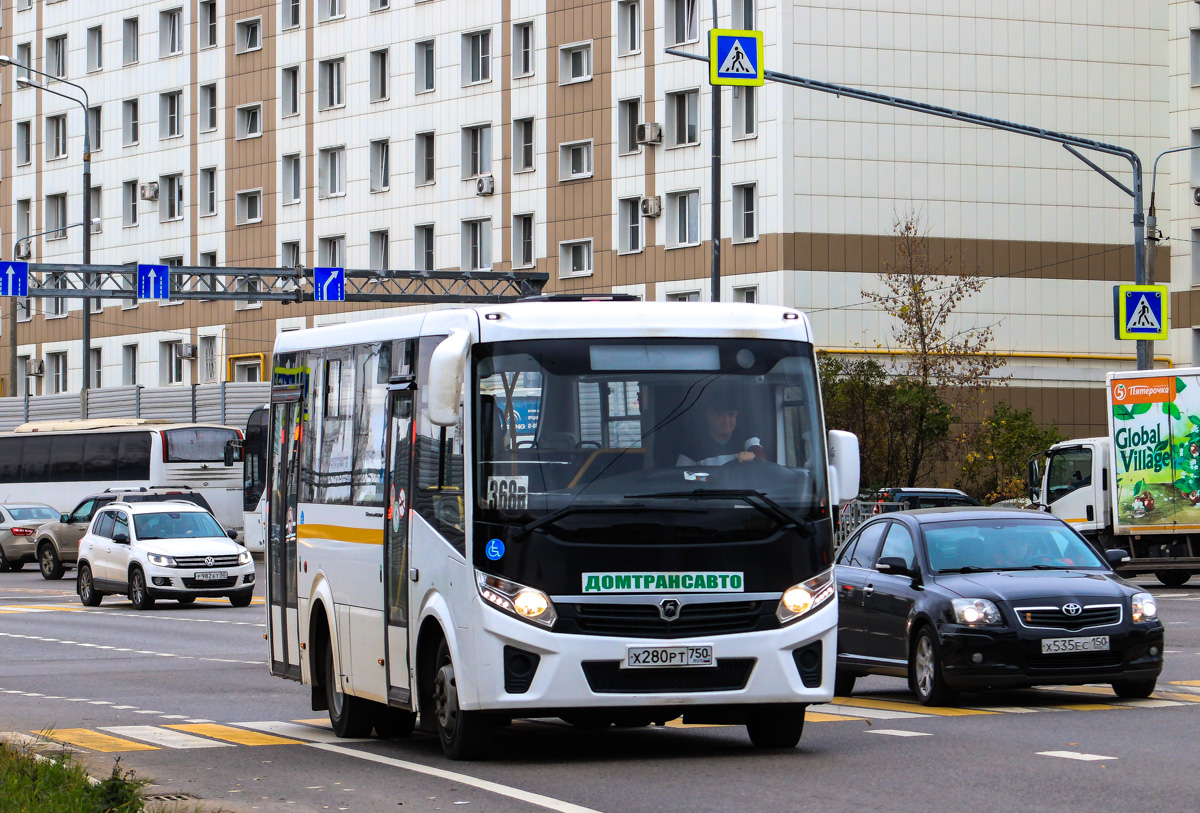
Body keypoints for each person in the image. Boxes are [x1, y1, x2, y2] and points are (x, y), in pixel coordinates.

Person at [676, 390, 765, 466]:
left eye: (731, 415)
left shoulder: (746, 435)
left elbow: (760, 456)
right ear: (709, 416)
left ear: (736, 416)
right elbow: (682, 477)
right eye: (720, 415)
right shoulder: (693, 445)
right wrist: (706, 479)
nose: (726, 421)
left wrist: (753, 456)